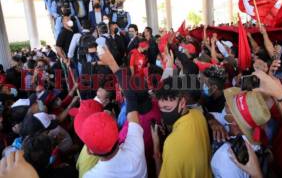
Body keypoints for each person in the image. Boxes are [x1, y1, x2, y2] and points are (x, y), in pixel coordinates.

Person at [73, 47, 147, 178]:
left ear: (89, 151)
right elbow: (131, 100)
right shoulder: (135, 145)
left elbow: (130, 101)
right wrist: (113, 65)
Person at [152, 77, 212, 178]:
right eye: (161, 108)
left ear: (183, 102)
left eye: (167, 108)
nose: (164, 114)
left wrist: (156, 151)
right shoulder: (198, 115)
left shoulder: (171, 144)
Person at [210, 87, 271, 178]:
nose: (226, 103)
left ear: (234, 121)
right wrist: (212, 120)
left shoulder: (226, 157)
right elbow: (213, 115)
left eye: (230, 106)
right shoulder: (255, 139)